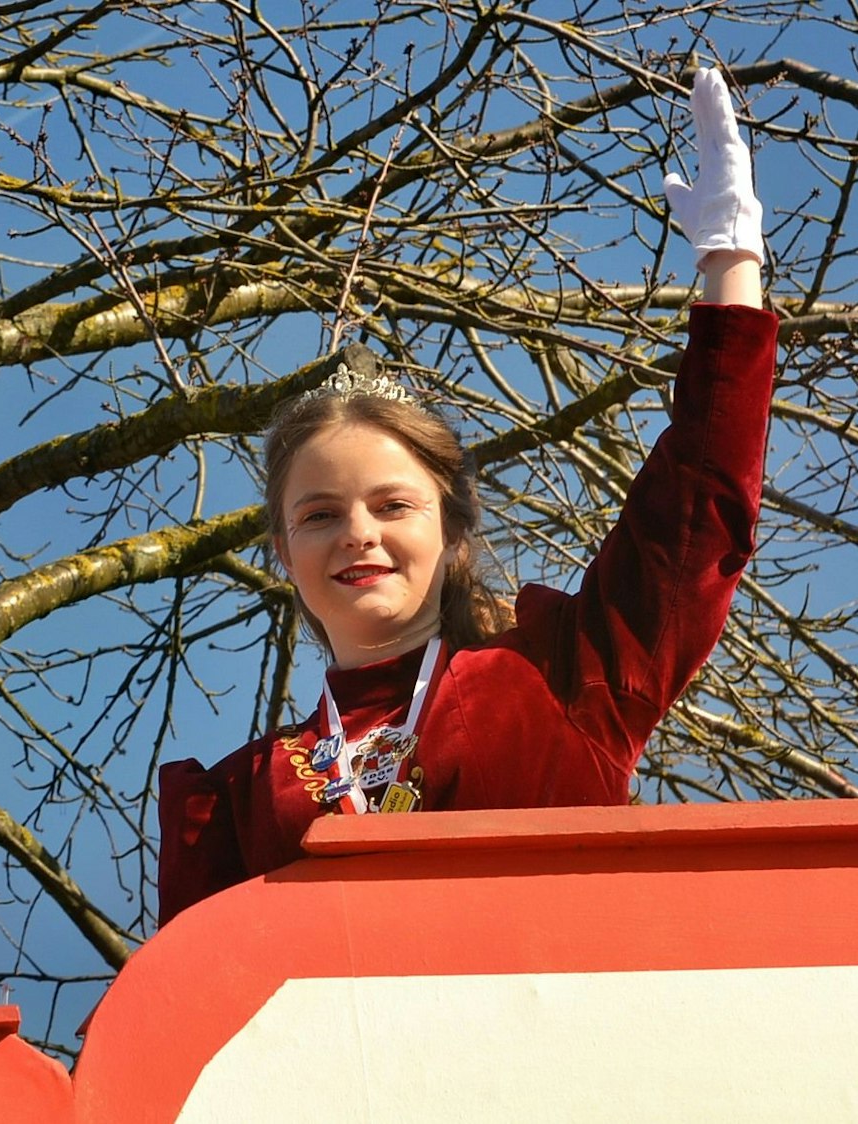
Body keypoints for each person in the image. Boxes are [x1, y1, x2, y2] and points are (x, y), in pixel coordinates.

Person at [156, 67, 778, 924]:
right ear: (281, 551)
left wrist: (729, 267)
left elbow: (695, 509)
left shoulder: (565, 678)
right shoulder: (233, 797)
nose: (356, 534)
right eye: (319, 515)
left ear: (451, 530)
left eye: (392, 505)